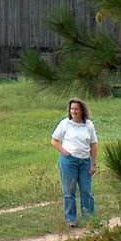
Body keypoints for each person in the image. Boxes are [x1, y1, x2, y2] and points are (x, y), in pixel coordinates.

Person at [51, 97, 98, 227]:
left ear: (82, 110)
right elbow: (54, 140)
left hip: (84, 161)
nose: (74, 111)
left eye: (76, 109)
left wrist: (93, 164)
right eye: (72, 109)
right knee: (69, 190)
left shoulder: (88, 125)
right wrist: (64, 151)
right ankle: (70, 219)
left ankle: (88, 218)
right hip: (69, 161)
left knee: (86, 191)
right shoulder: (65, 123)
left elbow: (93, 145)